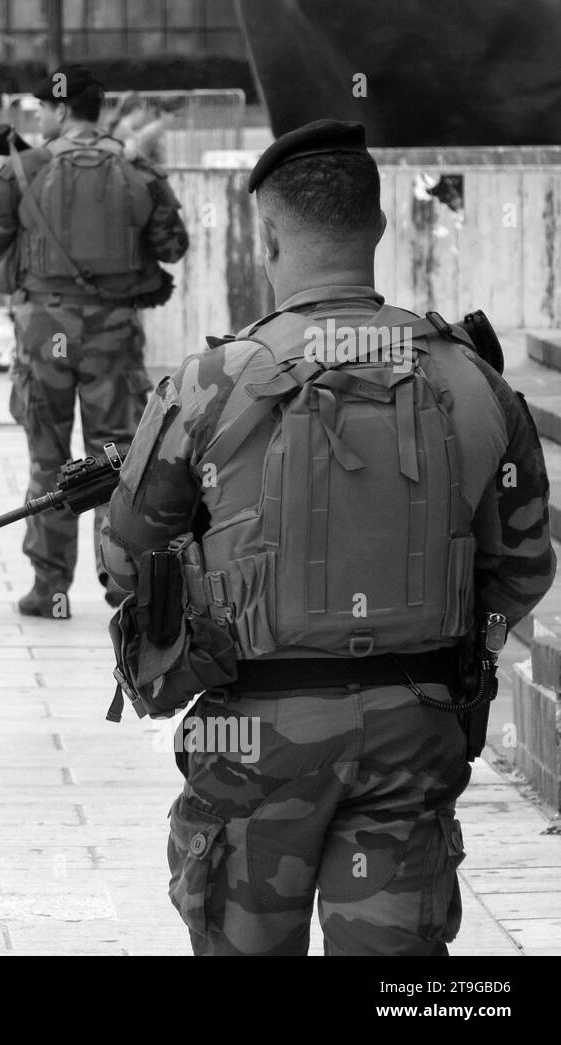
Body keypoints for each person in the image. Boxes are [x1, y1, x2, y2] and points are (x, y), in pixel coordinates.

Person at [100, 119, 557, 955]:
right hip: (416, 729)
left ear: (266, 235)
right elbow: (522, 568)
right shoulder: (474, 379)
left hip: (251, 738)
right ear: (378, 226)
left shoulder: (208, 385)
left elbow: (126, 563)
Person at [0, 64, 189, 618]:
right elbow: (172, 244)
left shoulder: (27, 166)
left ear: (63, 109)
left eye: (42, 109)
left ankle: (50, 588)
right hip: (113, 335)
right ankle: (119, 583)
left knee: (47, 461)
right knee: (114, 458)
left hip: (44, 334)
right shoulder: (136, 165)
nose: (39, 119)